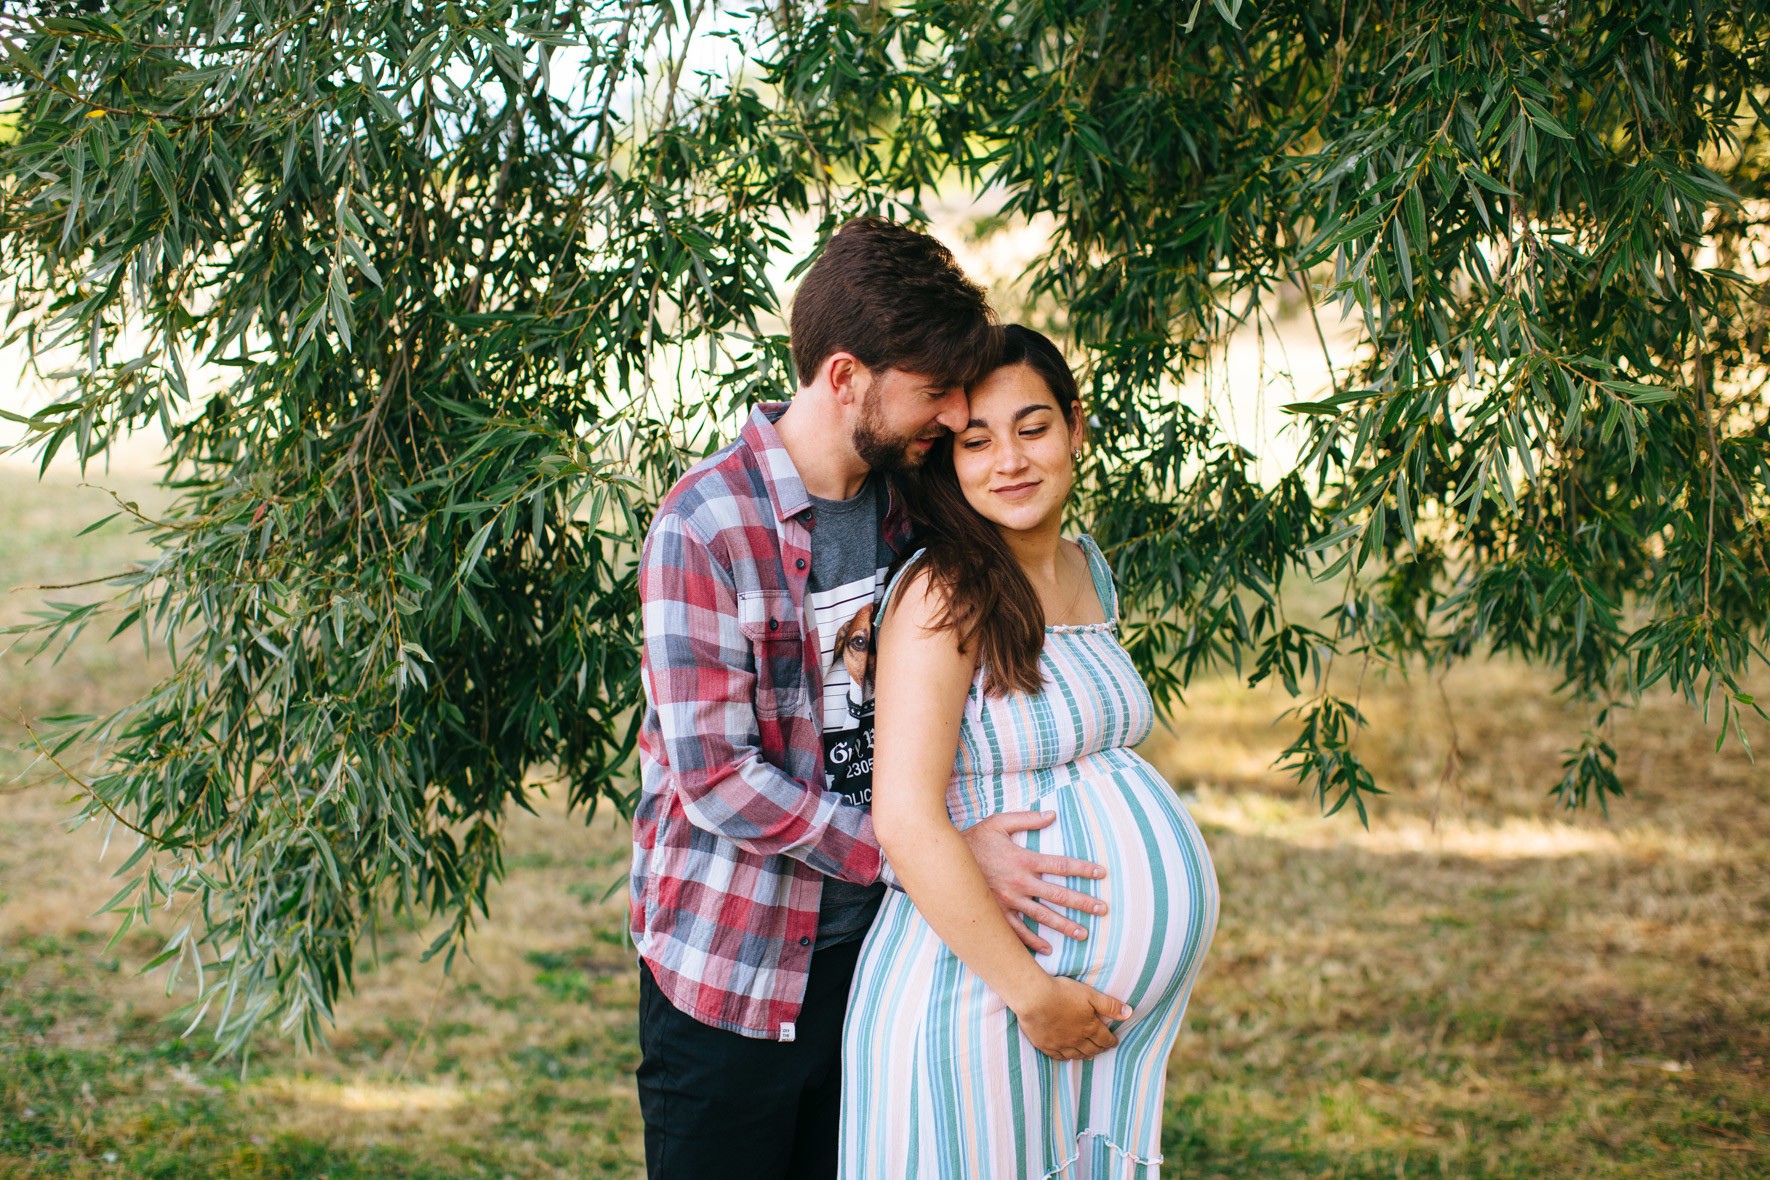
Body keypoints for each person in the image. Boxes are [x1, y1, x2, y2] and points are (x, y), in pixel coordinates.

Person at [630, 220, 1114, 1180]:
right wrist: (914, 851)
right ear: (846, 376)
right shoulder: (707, 525)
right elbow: (719, 780)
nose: (947, 417)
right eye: (933, 393)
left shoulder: (911, 505)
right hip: (736, 972)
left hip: (880, 969)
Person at [840, 325, 1221, 1178]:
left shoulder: (1089, 567)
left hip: (1080, 1025)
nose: (1008, 460)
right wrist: (1034, 995)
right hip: (977, 1001)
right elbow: (902, 815)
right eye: (977, 442)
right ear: (950, 461)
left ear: (1075, 427)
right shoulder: (947, 590)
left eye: (1033, 428)